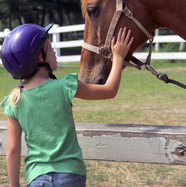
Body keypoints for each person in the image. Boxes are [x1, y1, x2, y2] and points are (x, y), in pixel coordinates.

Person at [0, 23, 133, 187]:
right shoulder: (65, 86)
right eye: (50, 49)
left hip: (37, 178)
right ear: (40, 58)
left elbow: (12, 150)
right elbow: (110, 91)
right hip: (70, 175)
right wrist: (118, 57)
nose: (54, 53)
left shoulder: (14, 101)